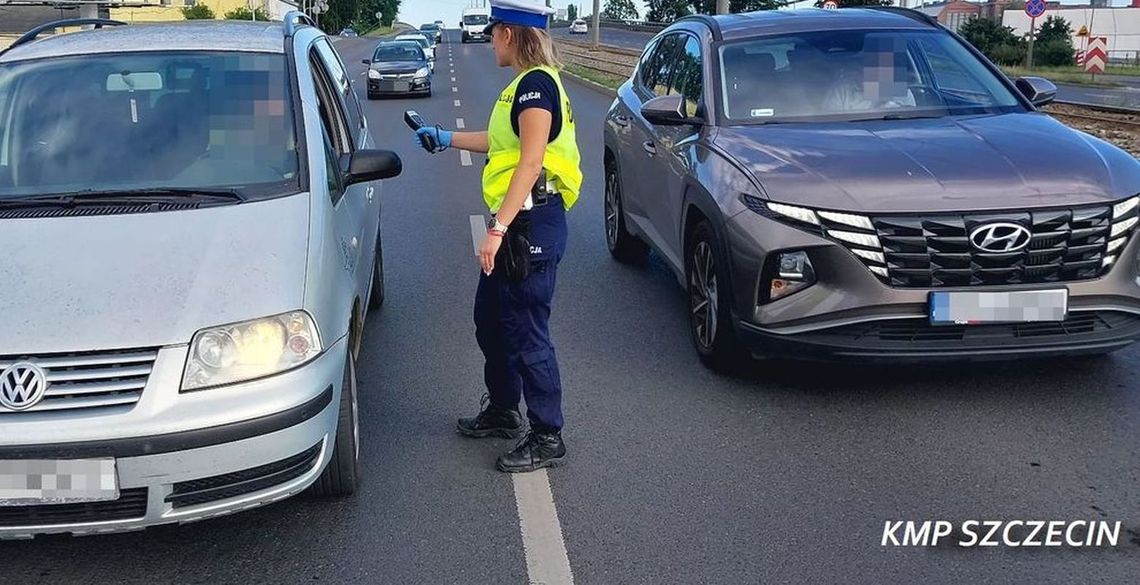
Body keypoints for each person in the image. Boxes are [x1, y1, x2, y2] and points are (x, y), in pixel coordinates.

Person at [412, 0, 582, 473]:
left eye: (493, 33)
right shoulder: (522, 88)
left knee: (527, 332)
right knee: (490, 319)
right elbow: (500, 141)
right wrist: (446, 137)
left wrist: (498, 228)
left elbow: (530, 161)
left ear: (510, 34)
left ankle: (548, 435)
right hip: (519, 222)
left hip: (530, 224)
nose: (490, 41)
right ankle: (505, 410)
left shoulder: (536, 86)